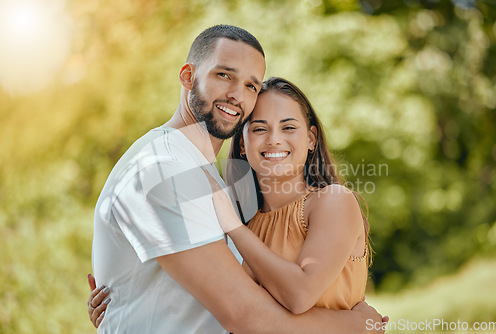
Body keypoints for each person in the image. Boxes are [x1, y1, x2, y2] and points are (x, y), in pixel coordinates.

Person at [88, 24, 386, 333]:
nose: (236, 95)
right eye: (224, 75)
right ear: (188, 76)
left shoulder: (215, 183)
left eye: (250, 86)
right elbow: (247, 314)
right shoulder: (167, 167)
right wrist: (356, 324)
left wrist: (125, 302)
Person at [206, 77, 370, 314]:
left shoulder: (334, 201)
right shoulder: (245, 223)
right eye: (260, 128)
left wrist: (233, 226)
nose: (274, 139)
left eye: (289, 127)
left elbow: (299, 296)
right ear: (243, 143)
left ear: (311, 139)